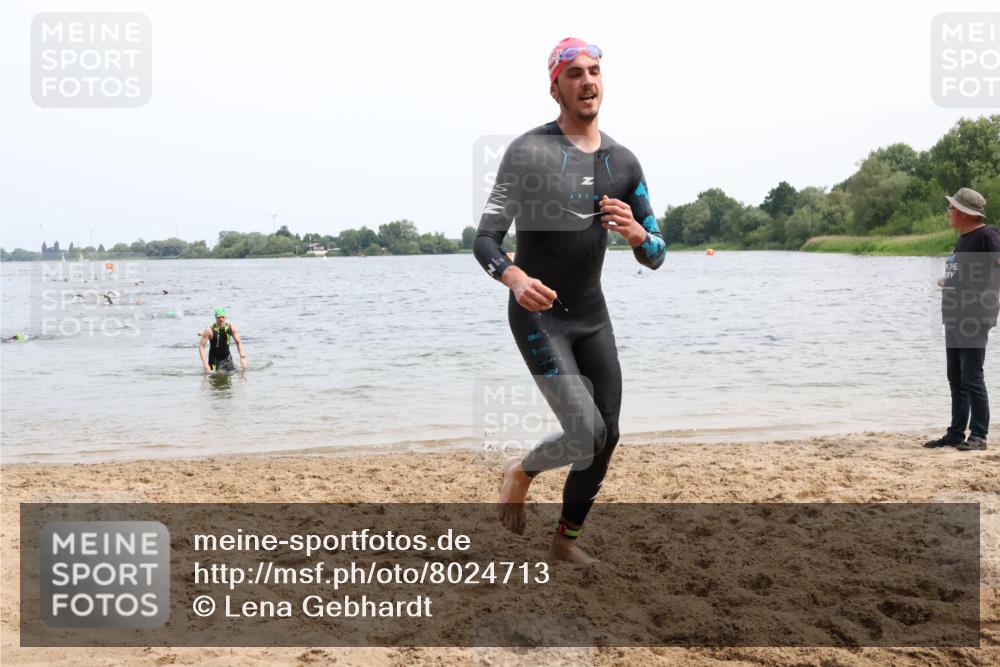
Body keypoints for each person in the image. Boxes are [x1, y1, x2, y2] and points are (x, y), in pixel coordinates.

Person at [473, 37, 666, 563]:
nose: (588, 81)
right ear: (554, 86)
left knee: (608, 435)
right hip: (540, 317)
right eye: (575, 73)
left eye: (595, 71)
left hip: (591, 317)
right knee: (585, 432)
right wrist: (514, 278)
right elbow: (485, 239)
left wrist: (635, 236)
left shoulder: (623, 162)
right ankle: (522, 470)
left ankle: (565, 543)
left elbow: (657, 254)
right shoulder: (529, 152)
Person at [924, 187, 999, 451]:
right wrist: (949, 281)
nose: (949, 212)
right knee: (955, 377)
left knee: (972, 376)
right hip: (954, 316)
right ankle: (956, 432)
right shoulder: (962, 240)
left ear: (965, 213)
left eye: (952, 208)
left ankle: (979, 435)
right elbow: (961, 274)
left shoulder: (987, 236)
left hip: (974, 317)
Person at [199, 307, 247, 372]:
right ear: (215, 317)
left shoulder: (231, 328)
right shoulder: (209, 330)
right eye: (219, 317)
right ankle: (203, 334)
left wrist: (242, 358)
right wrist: (205, 364)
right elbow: (201, 346)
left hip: (227, 358)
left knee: (232, 375)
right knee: (214, 378)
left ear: (225, 317)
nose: (221, 319)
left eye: (223, 317)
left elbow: (238, 342)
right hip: (214, 359)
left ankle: (203, 334)